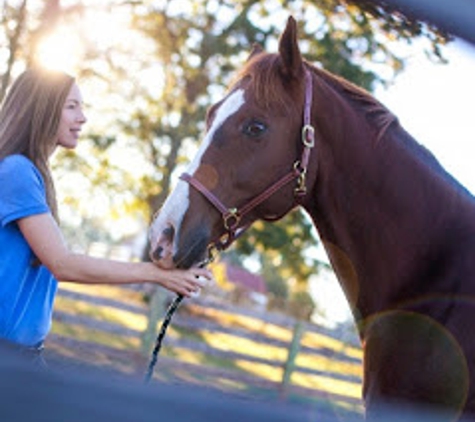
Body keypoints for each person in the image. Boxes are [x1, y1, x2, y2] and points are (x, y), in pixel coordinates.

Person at [0, 67, 212, 362]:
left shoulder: (33, 175)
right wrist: (155, 274)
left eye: (82, 107)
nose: (82, 118)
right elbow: (63, 264)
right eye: (71, 106)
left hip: (25, 357)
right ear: (42, 108)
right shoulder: (17, 171)